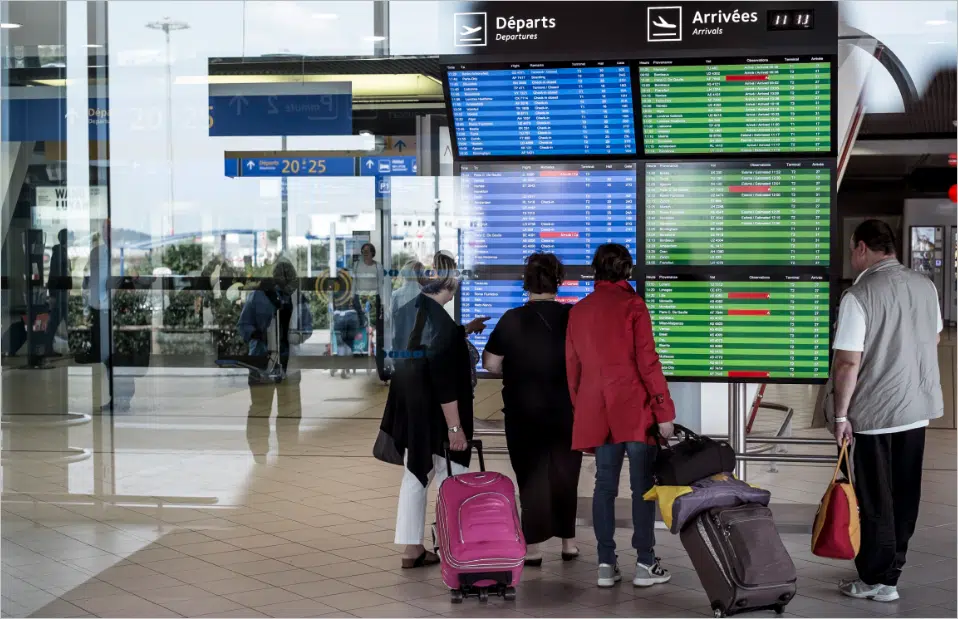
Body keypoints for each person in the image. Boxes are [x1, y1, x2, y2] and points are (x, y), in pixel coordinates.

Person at [828, 220, 943, 603]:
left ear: (862, 248)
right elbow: (935, 336)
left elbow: (847, 363)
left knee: (876, 498)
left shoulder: (859, 295)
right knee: (905, 494)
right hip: (917, 409)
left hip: (876, 414)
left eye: (851, 250)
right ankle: (891, 573)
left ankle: (875, 578)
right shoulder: (925, 286)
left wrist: (841, 416)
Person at [565, 243, 675, 589]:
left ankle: (604, 563)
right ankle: (645, 563)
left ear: (595, 271)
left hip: (598, 411)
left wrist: (582, 408)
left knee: (603, 487)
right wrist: (663, 409)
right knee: (642, 486)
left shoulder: (578, 311)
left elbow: (573, 371)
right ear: (627, 271)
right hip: (636, 410)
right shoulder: (633, 305)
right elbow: (648, 362)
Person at [382, 252, 489, 568]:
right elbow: (445, 383)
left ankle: (411, 548)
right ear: (450, 282)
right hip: (437, 413)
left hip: (410, 408)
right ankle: (455, 543)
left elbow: (422, 345)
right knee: (453, 474)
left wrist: (465, 330)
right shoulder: (441, 324)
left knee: (415, 473)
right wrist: (455, 429)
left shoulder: (407, 311)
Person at [482, 253, 582, 565]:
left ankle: (535, 548)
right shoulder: (573, 317)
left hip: (523, 413)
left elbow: (491, 363)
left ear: (526, 282)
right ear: (558, 281)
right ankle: (568, 543)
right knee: (566, 474)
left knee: (530, 476)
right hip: (566, 411)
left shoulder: (512, 319)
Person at [237, 260, 313, 462]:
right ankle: (285, 451)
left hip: (268, 362)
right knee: (288, 411)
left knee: (261, 410)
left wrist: (256, 335)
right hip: (277, 363)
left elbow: (243, 325)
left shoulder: (258, 295)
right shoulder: (295, 297)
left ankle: (261, 452)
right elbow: (308, 328)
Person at [330, 268, 366, 379]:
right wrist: (362, 320)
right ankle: (345, 369)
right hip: (351, 316)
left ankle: (340, 366)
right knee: (349, 342)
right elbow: (357, 306)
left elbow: (333, 306)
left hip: (338, 316)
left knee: (341, 344)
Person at [45, 229, 71, 355]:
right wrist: (53, 294)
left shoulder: (62, 252)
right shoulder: (59, 253)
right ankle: (47, 347)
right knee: (61, 320)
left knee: (58, 321)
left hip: (62, 293)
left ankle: (47, 347)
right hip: (60, 294)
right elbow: (55, 275)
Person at [390, 259, 424, 355]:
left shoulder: (396, 295)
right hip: (421, 345)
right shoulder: (426, 295)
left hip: (400, 344)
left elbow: (391, 322)